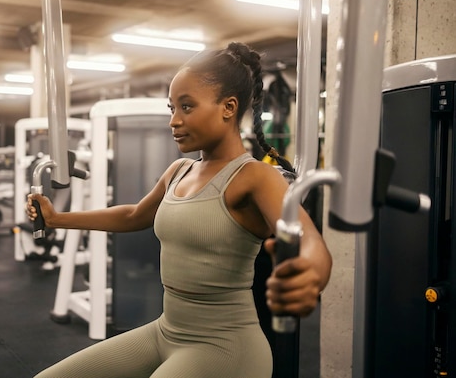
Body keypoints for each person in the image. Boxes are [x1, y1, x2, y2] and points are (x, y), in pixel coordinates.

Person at [26, 41, 332, 378]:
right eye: (172, 107)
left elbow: (311, 243)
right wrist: (57, 218)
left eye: (187, 107)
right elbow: (133, 215)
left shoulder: (254, 176)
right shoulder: (179, 171)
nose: (174, 120)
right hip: (166, 331)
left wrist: (310, 275)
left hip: (226, 345)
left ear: (228, 107)